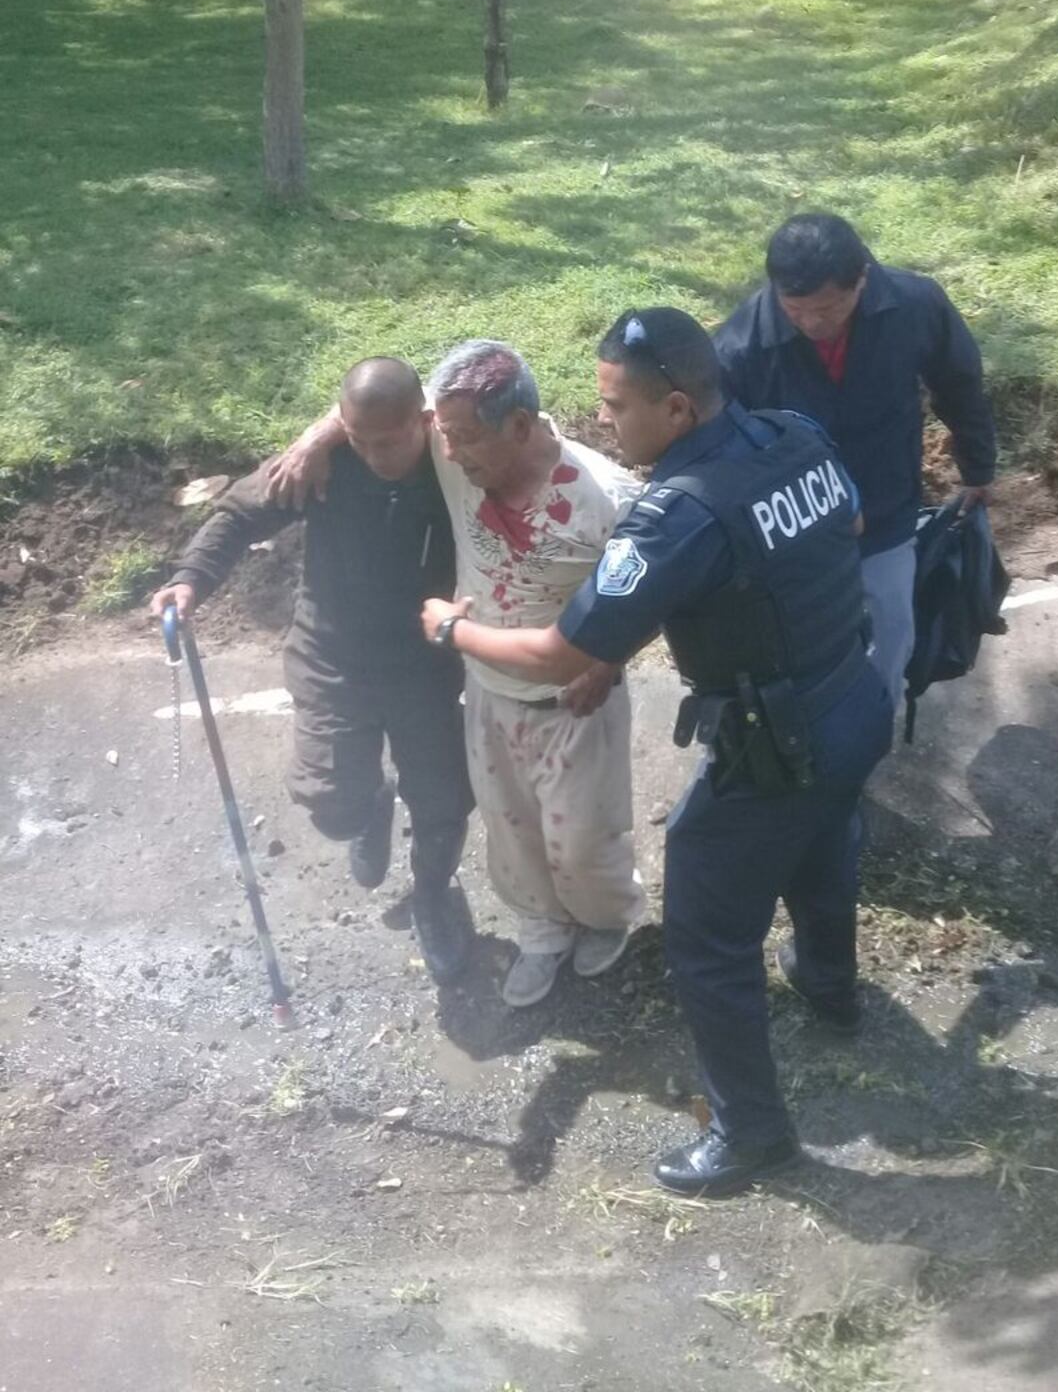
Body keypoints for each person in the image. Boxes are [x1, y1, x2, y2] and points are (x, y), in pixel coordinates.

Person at [420, 309, 894, 1197]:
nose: (602, 422)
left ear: (676, 409)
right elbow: (856, 519)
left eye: (616, 405)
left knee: (708, 939)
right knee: (825, 842)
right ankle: (830, 986)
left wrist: (456, 632)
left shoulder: (675, 515)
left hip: (774, 742)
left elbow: (562, 653)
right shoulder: (794, 434)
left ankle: (750, 1134)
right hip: (855, 701)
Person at [268, 342, 647, 1010]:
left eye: (468, 439)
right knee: (513, 835)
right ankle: (540, 933)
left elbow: (659, 594)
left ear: (521, 428)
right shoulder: (453, 451)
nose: (455, 453)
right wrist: (321, 433)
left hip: (575, 703)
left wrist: (610, 657)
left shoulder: (609, 502)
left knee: (582, 843)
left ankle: (604, 918)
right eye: (447, 435)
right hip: (490, 696)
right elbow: (383, 406)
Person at [149, 357, 476, 986]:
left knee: (443, 803)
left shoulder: (458, 464)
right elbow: (240, 514)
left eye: (391, 439)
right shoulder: (322, 463)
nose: (376, 455)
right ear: (341, 428)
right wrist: (190, 582)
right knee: (332, 806)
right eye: (360, 439)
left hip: (429, 666)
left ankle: (434, 895)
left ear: (426, 421)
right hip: (334, 657)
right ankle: (371, 804)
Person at [713, 213, 997, 709]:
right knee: (802, 653)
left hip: (887, 511)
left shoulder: (915, 306)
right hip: (792, 532)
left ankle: (869, 745)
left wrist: (978, 468)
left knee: (889, 642)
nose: (813, 324)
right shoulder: (738, 348)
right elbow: (723, 454)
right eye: (795, 309)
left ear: (862, 277)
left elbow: (959, 382)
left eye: (829, 308)